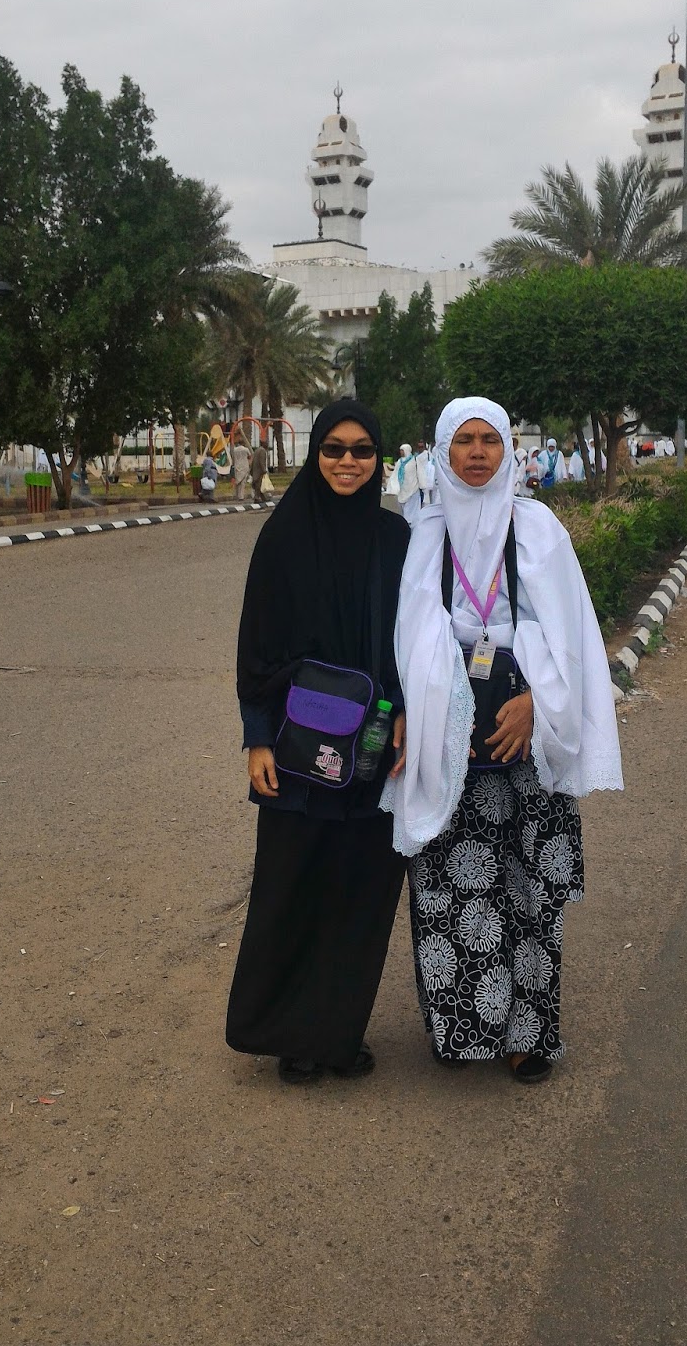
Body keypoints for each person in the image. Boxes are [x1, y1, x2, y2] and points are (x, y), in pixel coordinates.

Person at [381, 397, 623, 1082]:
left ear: (509, 450)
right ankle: (464, 1029)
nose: (478, 452)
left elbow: (571, 633)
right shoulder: (422, 532)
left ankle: (529, 1035)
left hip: (525, 728)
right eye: (464, 440)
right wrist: (425, 712)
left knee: (527, 886)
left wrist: (537, 702)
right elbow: (401, 637)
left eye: (490, 439)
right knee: (449, 886)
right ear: (442, 451)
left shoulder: (539, 529)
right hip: (445, 728)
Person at [226, 401, 410, 1085]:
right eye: (333, 449)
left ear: (378, 458)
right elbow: (256, 650)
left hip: (372, 745)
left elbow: (415, 638)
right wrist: (256, 741)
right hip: (297, 748)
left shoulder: (395, 538)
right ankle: (286, 1037)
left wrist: (407, 713)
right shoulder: (282, 538)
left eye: (362, 450)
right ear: (315, 455)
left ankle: (336, 1035)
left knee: (360, 891)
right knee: (293, 886)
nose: (347, 462)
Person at [396, 442, 421, 526]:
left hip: (413, 489)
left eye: (402, 450)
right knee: (403, 509)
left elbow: (420, 473)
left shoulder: (414, 461)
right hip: (403, 489)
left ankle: (411, 525)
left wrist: (424, 486)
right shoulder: (399, 462)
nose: (401, 452)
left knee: (411, 509)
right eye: (400, 450)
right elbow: (395, 475)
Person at [415, 440, 436, 508]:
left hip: (428, 477)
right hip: (419, 478)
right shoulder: (416, 457)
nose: (420, 448)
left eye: (422, 447)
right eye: (419, 447)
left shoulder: (428, 455)